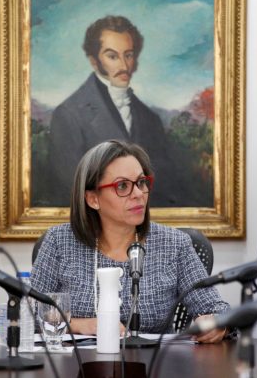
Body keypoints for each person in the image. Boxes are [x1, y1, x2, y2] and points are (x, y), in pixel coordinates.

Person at [32, 140, 229, 343]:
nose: (138, 194)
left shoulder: (174, 244)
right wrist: (81, 325)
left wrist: (217, 323)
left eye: (141, 182)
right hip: (74, 368)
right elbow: (28, 313)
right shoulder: (59, 242)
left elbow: (218, 308)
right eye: (122, 186)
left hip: (154, 366)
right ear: (93, 199)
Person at [45, 15, 190, 207]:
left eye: (128, 55)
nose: (123, 66)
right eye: (112, 56)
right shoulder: (69, 115)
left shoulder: (150, 119)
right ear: (94, 61)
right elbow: (72, 192)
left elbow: (167, 187)